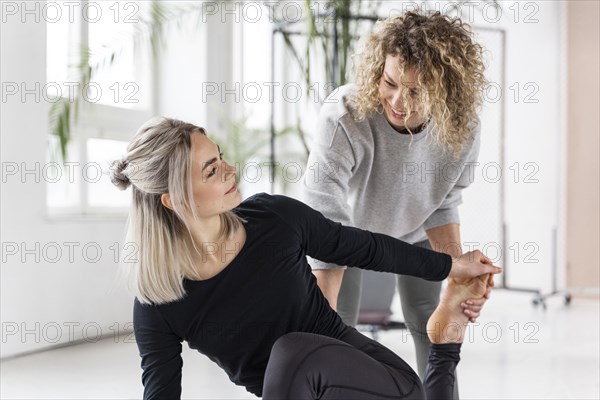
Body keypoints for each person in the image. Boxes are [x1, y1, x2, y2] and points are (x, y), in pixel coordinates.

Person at [111, 117, 500, 399]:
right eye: (212, 170)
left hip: (382, 384)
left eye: (222, 157)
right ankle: (444, 348)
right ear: (173, 200)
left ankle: (443, 345)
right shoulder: (158, 303)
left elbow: (366, 247)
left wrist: (450, 266)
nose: (231, 169)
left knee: (291, 349)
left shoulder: (274, 218)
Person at [302, 11, 488, 398]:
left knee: (431, 321)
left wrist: (459, 280)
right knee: (334, 328)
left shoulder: (462, 125)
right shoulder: (345, 116)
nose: (399, 102)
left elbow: (443, 201)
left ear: (445, 91)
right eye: (390, 83)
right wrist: (320, 329)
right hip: (345, 235)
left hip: (415, 231)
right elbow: (325, 214)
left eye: (417, 92)